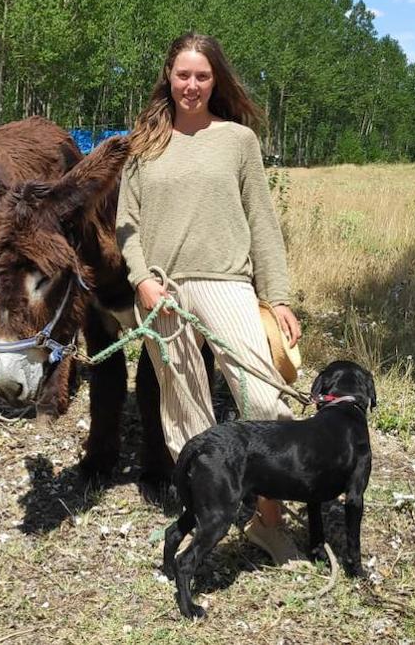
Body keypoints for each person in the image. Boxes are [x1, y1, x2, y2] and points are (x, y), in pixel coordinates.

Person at [116, 32, 306, 565]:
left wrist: (279, 297)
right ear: (168, 78)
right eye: (183, 74)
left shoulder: (238, 140)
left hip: (226, 283)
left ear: (215, 79)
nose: (191, 85)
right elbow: (125, 224)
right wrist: (140, 280)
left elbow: (263, 224)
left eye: (202, 75)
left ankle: (270, 523)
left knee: (264, 402)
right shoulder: (144, 143)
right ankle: (210, 519)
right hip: (162, 289)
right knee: (188, 418)